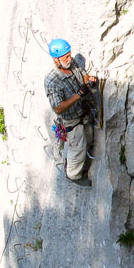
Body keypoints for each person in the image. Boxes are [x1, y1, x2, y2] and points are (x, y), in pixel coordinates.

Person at [44, 38, 98, 186]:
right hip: (71, 120)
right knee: (78, 149)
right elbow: (58, 108)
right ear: (56, 60)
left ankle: (80, 162)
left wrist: (88, 80)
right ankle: (74, 176)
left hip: (83, 112)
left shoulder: (71, 63)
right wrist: (78, 95)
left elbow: (82, 74)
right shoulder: (52, 81)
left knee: (88, 139)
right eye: (66, 57)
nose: (69, 58)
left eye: (69, 54)